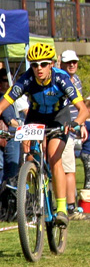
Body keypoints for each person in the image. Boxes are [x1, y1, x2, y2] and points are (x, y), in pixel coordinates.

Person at [0, 43, 89, 228]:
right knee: (29, 155)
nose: (38, 68)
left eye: (43, 64)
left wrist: (75, 123)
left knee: (53, 156)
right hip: (36, 116)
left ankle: (62, 209)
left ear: (51, 64)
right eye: (34, 65)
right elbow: (0, 106)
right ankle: (34, 189)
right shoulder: (26, 80)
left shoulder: (62, 79)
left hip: (59, 117)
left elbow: (83, 110)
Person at [60, 50, 84, 219]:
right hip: (63, 129)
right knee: (69, 170)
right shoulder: (61, 81)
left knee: (68, 167)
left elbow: (80, 106)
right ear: (61, 64)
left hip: (74, 129)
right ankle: (70, 208)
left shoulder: (77, 81)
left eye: (74, 61)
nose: (72, 65)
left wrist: (81, 124)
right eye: (69, 62)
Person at [0, 68, 20, 184]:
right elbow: (9, 120)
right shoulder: (2, 98)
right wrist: (22, 125)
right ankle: (8, 195)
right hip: (10, 136)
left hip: (5, 137)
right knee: (11, 169)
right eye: (5, 80)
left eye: (9, 80)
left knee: (5, 167)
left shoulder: (2, 96)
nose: (8, 83)